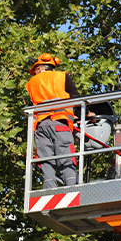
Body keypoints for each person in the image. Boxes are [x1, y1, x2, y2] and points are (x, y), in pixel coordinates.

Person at [25, 53, 92, 189]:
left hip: (41, 125)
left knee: (45, 158)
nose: (35, 72)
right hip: (59, 122)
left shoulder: (31, 83)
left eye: (35, 69)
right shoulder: (61, 76)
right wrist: (86, 114)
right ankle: (72, 187)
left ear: (40, 67)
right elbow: (75, 97)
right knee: (65, 155)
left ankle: (49, 188)